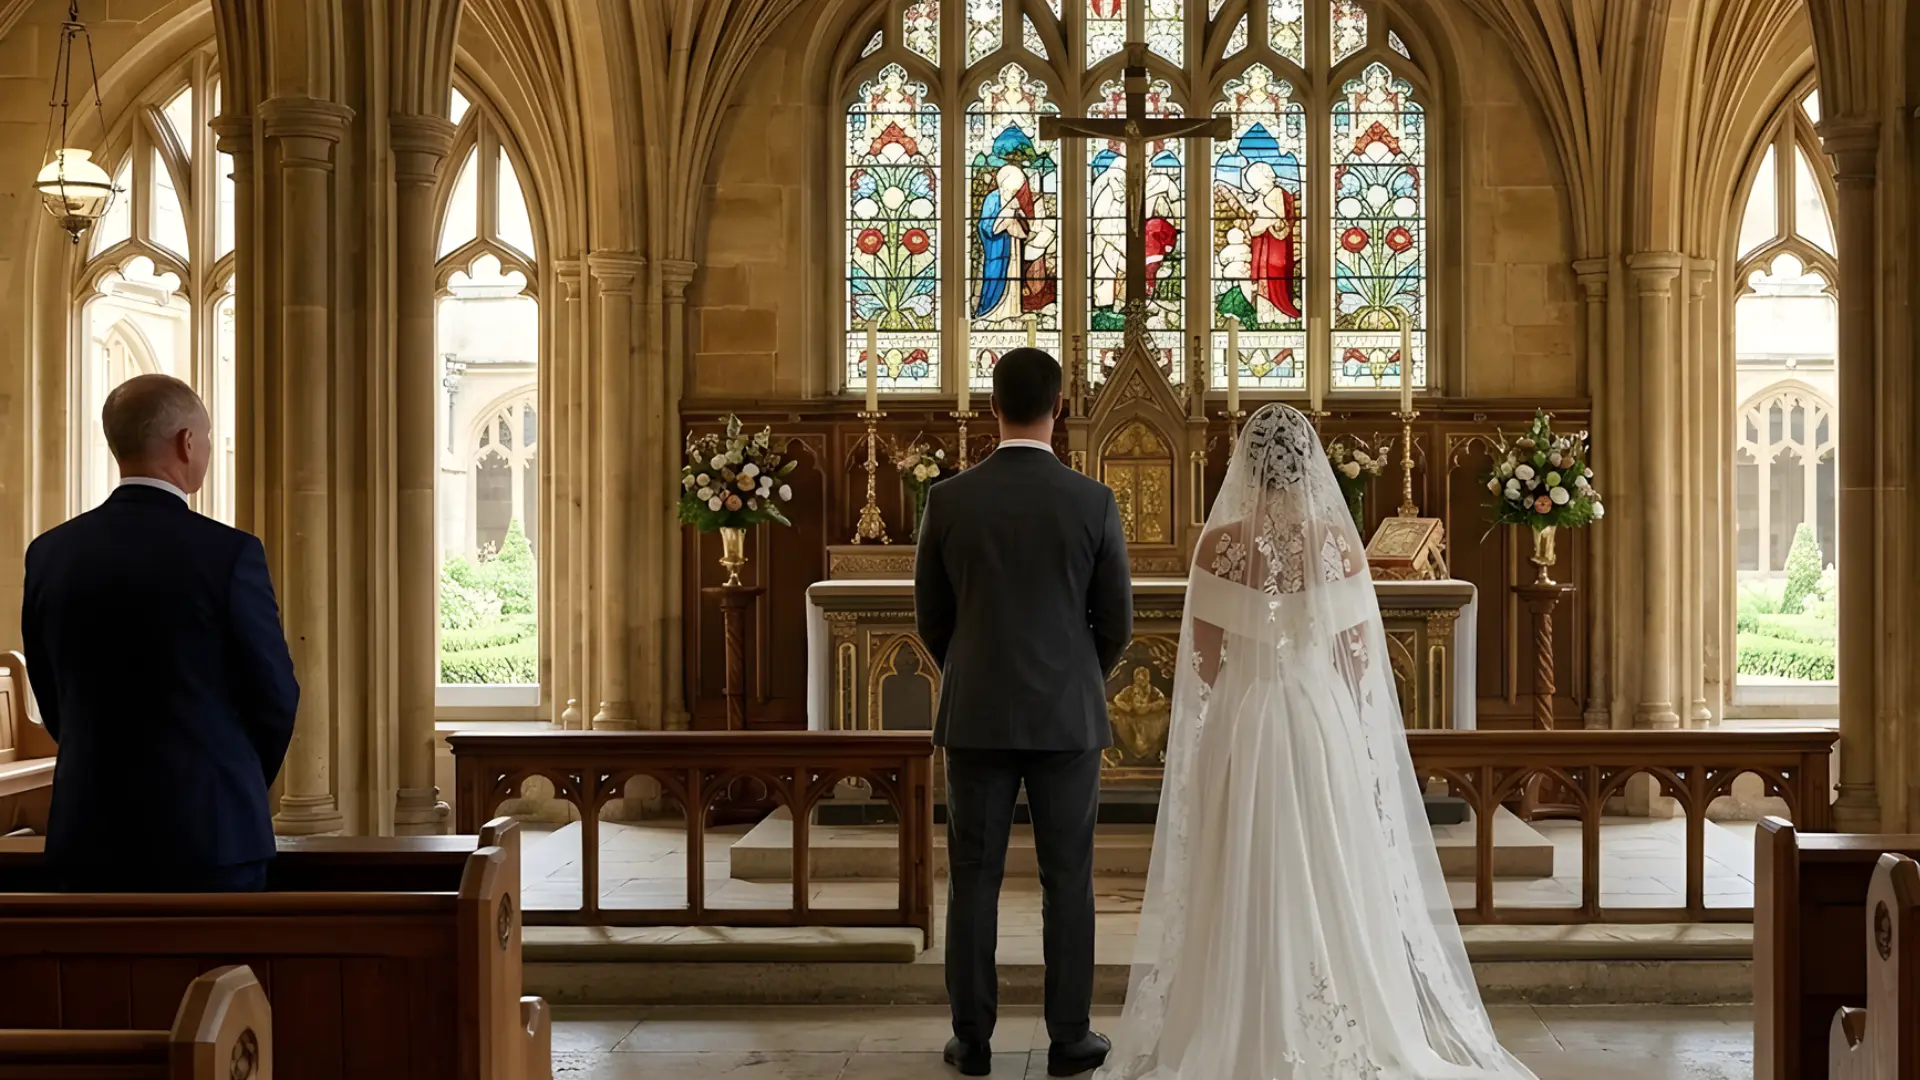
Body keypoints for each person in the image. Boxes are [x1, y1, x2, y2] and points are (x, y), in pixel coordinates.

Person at [1097, 403, 1536, 1080]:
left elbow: (1203, 664)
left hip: (1244, 720)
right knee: (1330, 855)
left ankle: (1235, 1018)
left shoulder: (1217, 545)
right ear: (1312, 464)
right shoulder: (1337, 542)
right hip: (1317, 717)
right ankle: (1342, 1011)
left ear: (1245, 465)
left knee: (1243, 858)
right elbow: (1361, 664)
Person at [915, 347, 1132, 1077]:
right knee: (1067, 875)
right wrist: (1075, 677)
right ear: (1061, 406)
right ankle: (1070, 1036)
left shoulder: (948, 500)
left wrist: (974, 673)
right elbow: (1118, 622)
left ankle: (971, 1039)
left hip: (975, 713)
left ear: (990, 407)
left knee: (973, 875)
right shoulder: (1093, 501)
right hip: (1068, 717)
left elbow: (932, 617)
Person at [22, 374, 298, 893]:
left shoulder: (51, 553)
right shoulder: (228, 554)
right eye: (208, 438)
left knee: (95, 976)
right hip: (211, 839)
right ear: (186, 442)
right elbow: (275, 696)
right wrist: (228, 781)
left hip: (89, 835)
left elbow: (52, 694)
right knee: (218, 974)